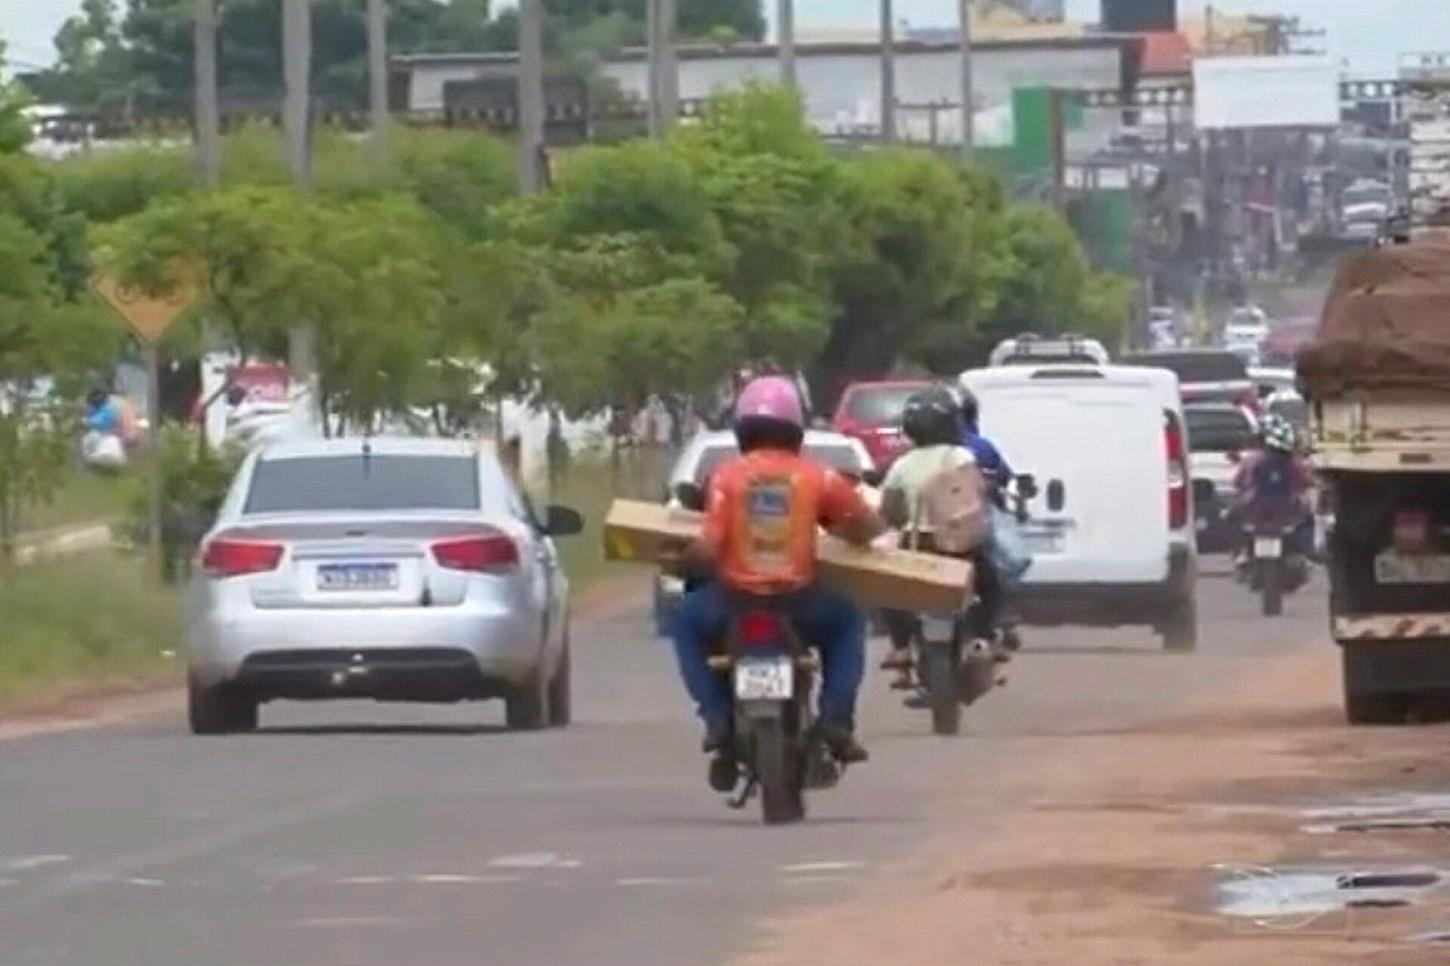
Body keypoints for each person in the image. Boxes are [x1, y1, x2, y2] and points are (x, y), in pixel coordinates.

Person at [669, 375, 886, 765]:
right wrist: (846, 529)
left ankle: (716, 718)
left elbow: (709, 546)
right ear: (795, 429)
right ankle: (836, 719)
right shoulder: (818, 476)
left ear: (743, 429)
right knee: (850, 620)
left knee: (684, 622)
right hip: (801, 603)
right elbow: (864, 527)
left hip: (733, 602)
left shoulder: (725, 476)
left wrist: (681, 561)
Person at [877, 386, 997, 677]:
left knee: (887, 589)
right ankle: (983, 638)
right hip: (961, 549)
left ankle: (902, 646)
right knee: (992, 584)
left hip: (915, 549)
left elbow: (888, 507)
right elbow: (979, 492)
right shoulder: (962, 456)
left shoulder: (902, 465)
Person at [1233, 413, 1314, 554]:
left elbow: (1238, 483)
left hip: (1260, 513)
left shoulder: (1251, 460)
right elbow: (1306, 483)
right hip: (1281, 514)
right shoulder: (1295, 462)